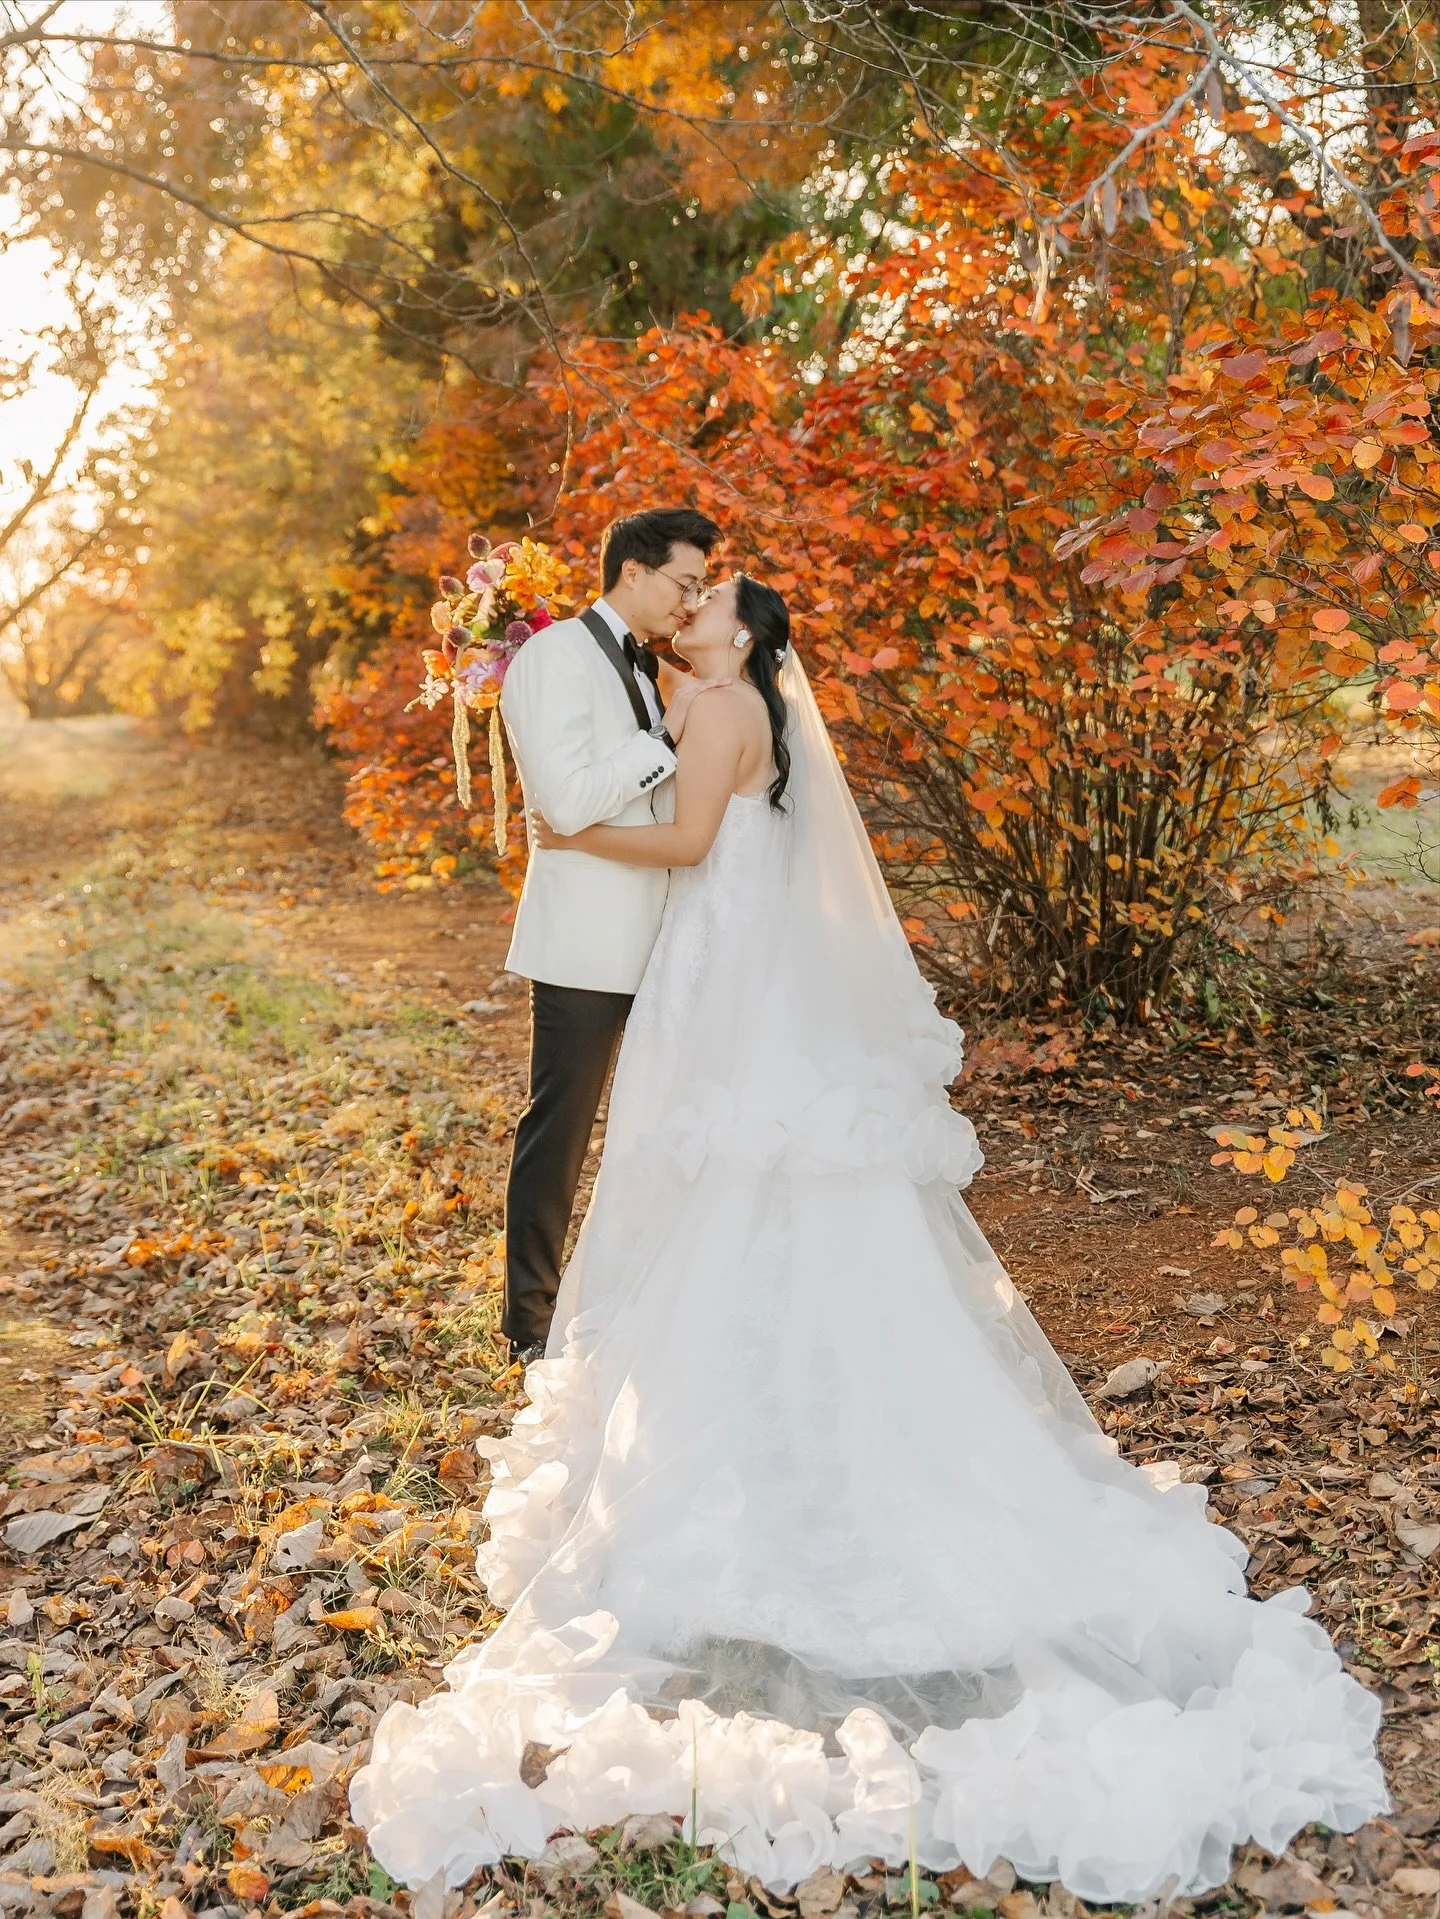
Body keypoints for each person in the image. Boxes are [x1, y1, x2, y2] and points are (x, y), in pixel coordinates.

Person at [353, 575, 1388, 1902]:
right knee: (765, 1194)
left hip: (725, 975)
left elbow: (679, 847)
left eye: (711, 599)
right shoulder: (736, 701)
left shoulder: (722, 705)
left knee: (740, 1190)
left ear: (746, 634)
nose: (693, 609)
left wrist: (568, 832)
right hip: (745, 970)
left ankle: (757, 1437)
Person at [497, 506, 721, 1365]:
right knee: (561, 1130)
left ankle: (640, 1298)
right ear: (633, 571)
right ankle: (528, 1325)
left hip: (664, 932)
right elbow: (569, 800)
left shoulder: (647, 664)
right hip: (588, 935)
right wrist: (667, 730)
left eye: (701, 587)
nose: (691, 601)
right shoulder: (555, 657)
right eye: (683, 582)